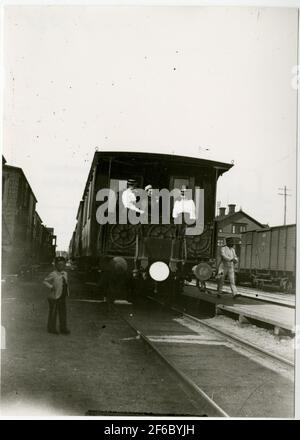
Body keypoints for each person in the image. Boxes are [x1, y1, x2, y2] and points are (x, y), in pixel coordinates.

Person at [43, 256, 70, 335]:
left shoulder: (65, 273)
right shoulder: (53, 274)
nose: (61, 266)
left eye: (63, 264)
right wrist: (51, 286)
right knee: (53, 313)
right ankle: (51, 328)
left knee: (63, 313)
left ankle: (63, 328)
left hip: (62, 296)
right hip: (54, 296)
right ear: (56, 265)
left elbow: (65, 283)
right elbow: (45, 281)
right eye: (59, 264)